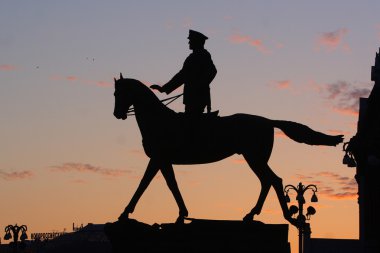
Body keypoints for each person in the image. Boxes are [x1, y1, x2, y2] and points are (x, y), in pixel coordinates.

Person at [151, 30, 217, 115]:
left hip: (197, 97)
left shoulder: (201, 55)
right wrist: (164, 89)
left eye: (191, 40)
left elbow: (212, 71)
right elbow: (181, 76)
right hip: (192, 96)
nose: (189, 42)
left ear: (196, 42)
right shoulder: (193, 57)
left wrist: (199, 85)